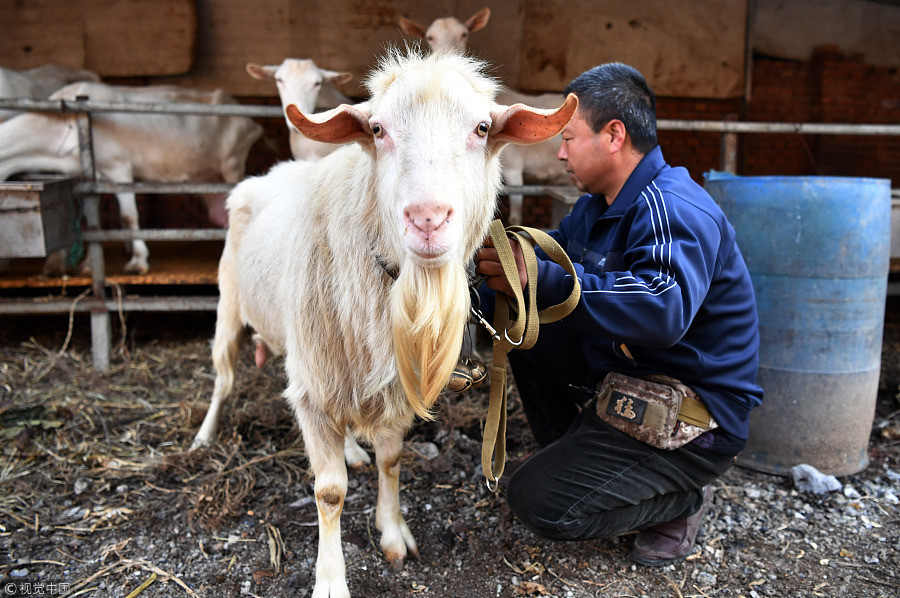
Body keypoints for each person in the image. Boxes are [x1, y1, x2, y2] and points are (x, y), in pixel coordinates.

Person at [474, 62, 763, 566]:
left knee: (537, 502)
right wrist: (483, 272)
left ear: (614, 135)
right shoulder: (594, 207)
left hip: (692, 411)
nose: (559, 152)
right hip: (630, 378)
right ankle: (588, 461)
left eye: (568, 137)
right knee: (526, 328)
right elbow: (543, 270)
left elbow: (662, 309)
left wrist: (542, 279)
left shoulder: (672, 207)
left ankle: (680, 497)